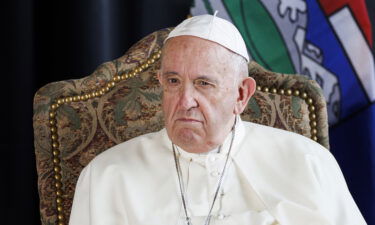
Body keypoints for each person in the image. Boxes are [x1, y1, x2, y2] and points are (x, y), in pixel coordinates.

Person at [69, 14, 366, 225]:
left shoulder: (307, 163)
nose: (185, 101)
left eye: (204, 83)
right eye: (173, 81)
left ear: (241, 94)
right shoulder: (106, 176)